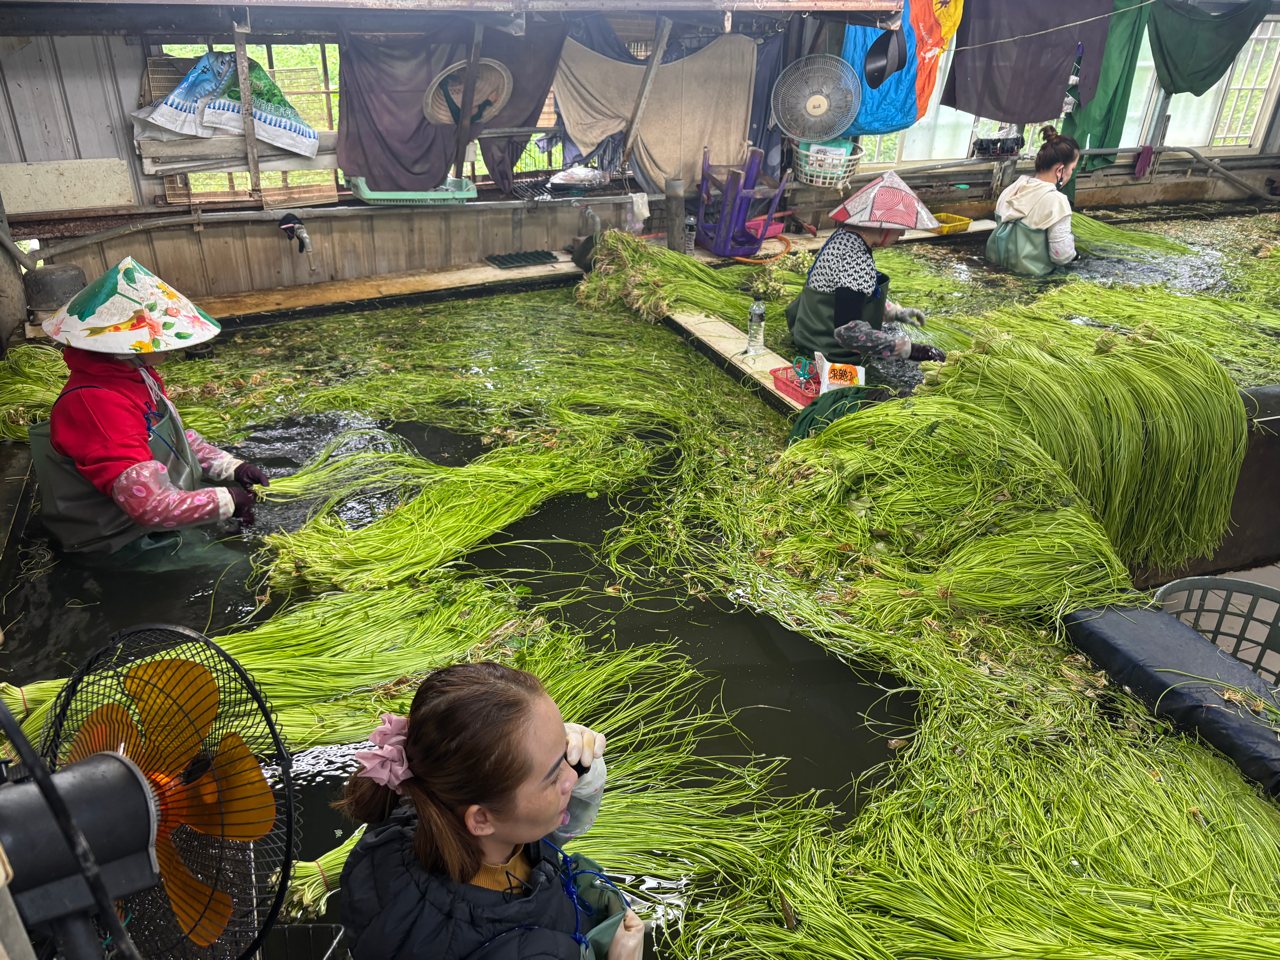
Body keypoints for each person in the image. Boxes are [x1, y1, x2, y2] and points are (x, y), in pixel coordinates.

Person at [338, 661, 645, 960]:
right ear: (481, 819)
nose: (572, 777)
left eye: (565, 750)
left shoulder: (413, 810)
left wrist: (566, 756)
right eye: (553, 776)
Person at [29, 257, 269, 555]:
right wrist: (228, 501)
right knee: (242, 566)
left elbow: (173, 438)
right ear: (122, 346)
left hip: (155, 515)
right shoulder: (96, 406)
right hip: (120, 541)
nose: (175, 347)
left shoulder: (135, 374)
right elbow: (149, 505)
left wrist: (230, 467)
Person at [786, 171, 946, 369]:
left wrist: (895, 313)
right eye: (899, 228)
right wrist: (911, 350)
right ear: (883, 226)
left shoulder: (844, 237)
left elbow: (851, 297)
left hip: (807, 336)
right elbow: (849, 333)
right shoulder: (855, 259)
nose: (902, 234)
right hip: (829, 352)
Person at [986, 125, 1080, 276]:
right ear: (1060, 170)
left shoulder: (1012, 189)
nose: (1071, 174)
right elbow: (1061, 256)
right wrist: (1076, 256)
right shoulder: (1057, 201)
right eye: (1072, 169)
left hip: (996, 267)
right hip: (1031, 278)